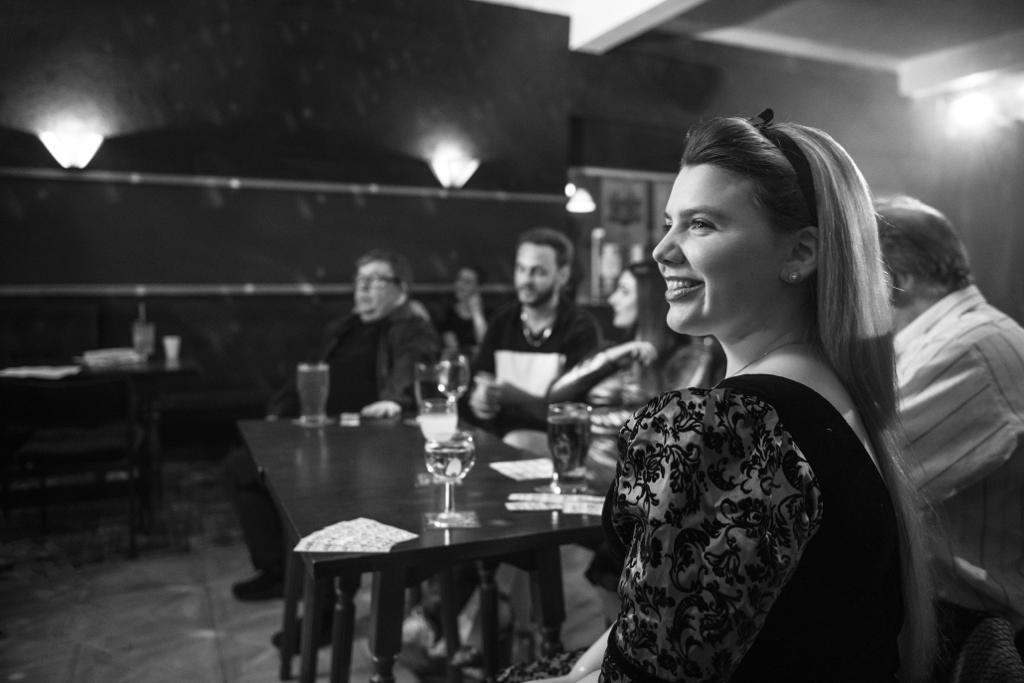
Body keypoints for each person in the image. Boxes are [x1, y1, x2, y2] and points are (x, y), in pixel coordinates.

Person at [499, 110, 935, 683]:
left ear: (800, 253)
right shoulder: (831, 390)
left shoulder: (732, 426)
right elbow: (666, 621)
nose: (661, 250)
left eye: (701, 224)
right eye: (669, 223)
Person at [224, 248, 439, 606]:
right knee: (241, 468)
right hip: (318, 428)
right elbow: (310, 374)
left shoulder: (411, 327)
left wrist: (394, 400)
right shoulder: (343, 327)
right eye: (360, 280)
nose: (363, 288)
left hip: (367, 442)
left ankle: (323, 613)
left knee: (312, 494)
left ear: (401, 288)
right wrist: (279, 412)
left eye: (375, 280)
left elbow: (413, 365)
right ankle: (277, 570)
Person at [876, 195, 1024, 668]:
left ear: (897, 279)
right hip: (955, 618)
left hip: (968, 629)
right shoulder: (961, 336)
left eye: (851, 274)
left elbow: (863, 480)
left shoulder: (969, 347)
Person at [468, 226, 601, 451]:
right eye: (521, 269)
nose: (526, 280)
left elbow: (576, 411)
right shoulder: (502, 321)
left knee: (516, 440)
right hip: (497, 440)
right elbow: (481, 379)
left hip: (556, 444)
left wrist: (517, 398)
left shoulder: (580, 327)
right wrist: (479, 400)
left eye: (538, 272)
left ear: (563, 275)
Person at [437, 265, 489, 357]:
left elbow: (486, 344)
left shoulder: (490, 314)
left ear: (478, 287)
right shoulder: (449, 314)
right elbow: (454, 350)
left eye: (467, 282)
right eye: (458, 279)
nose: (460, 285)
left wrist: (477, 314)